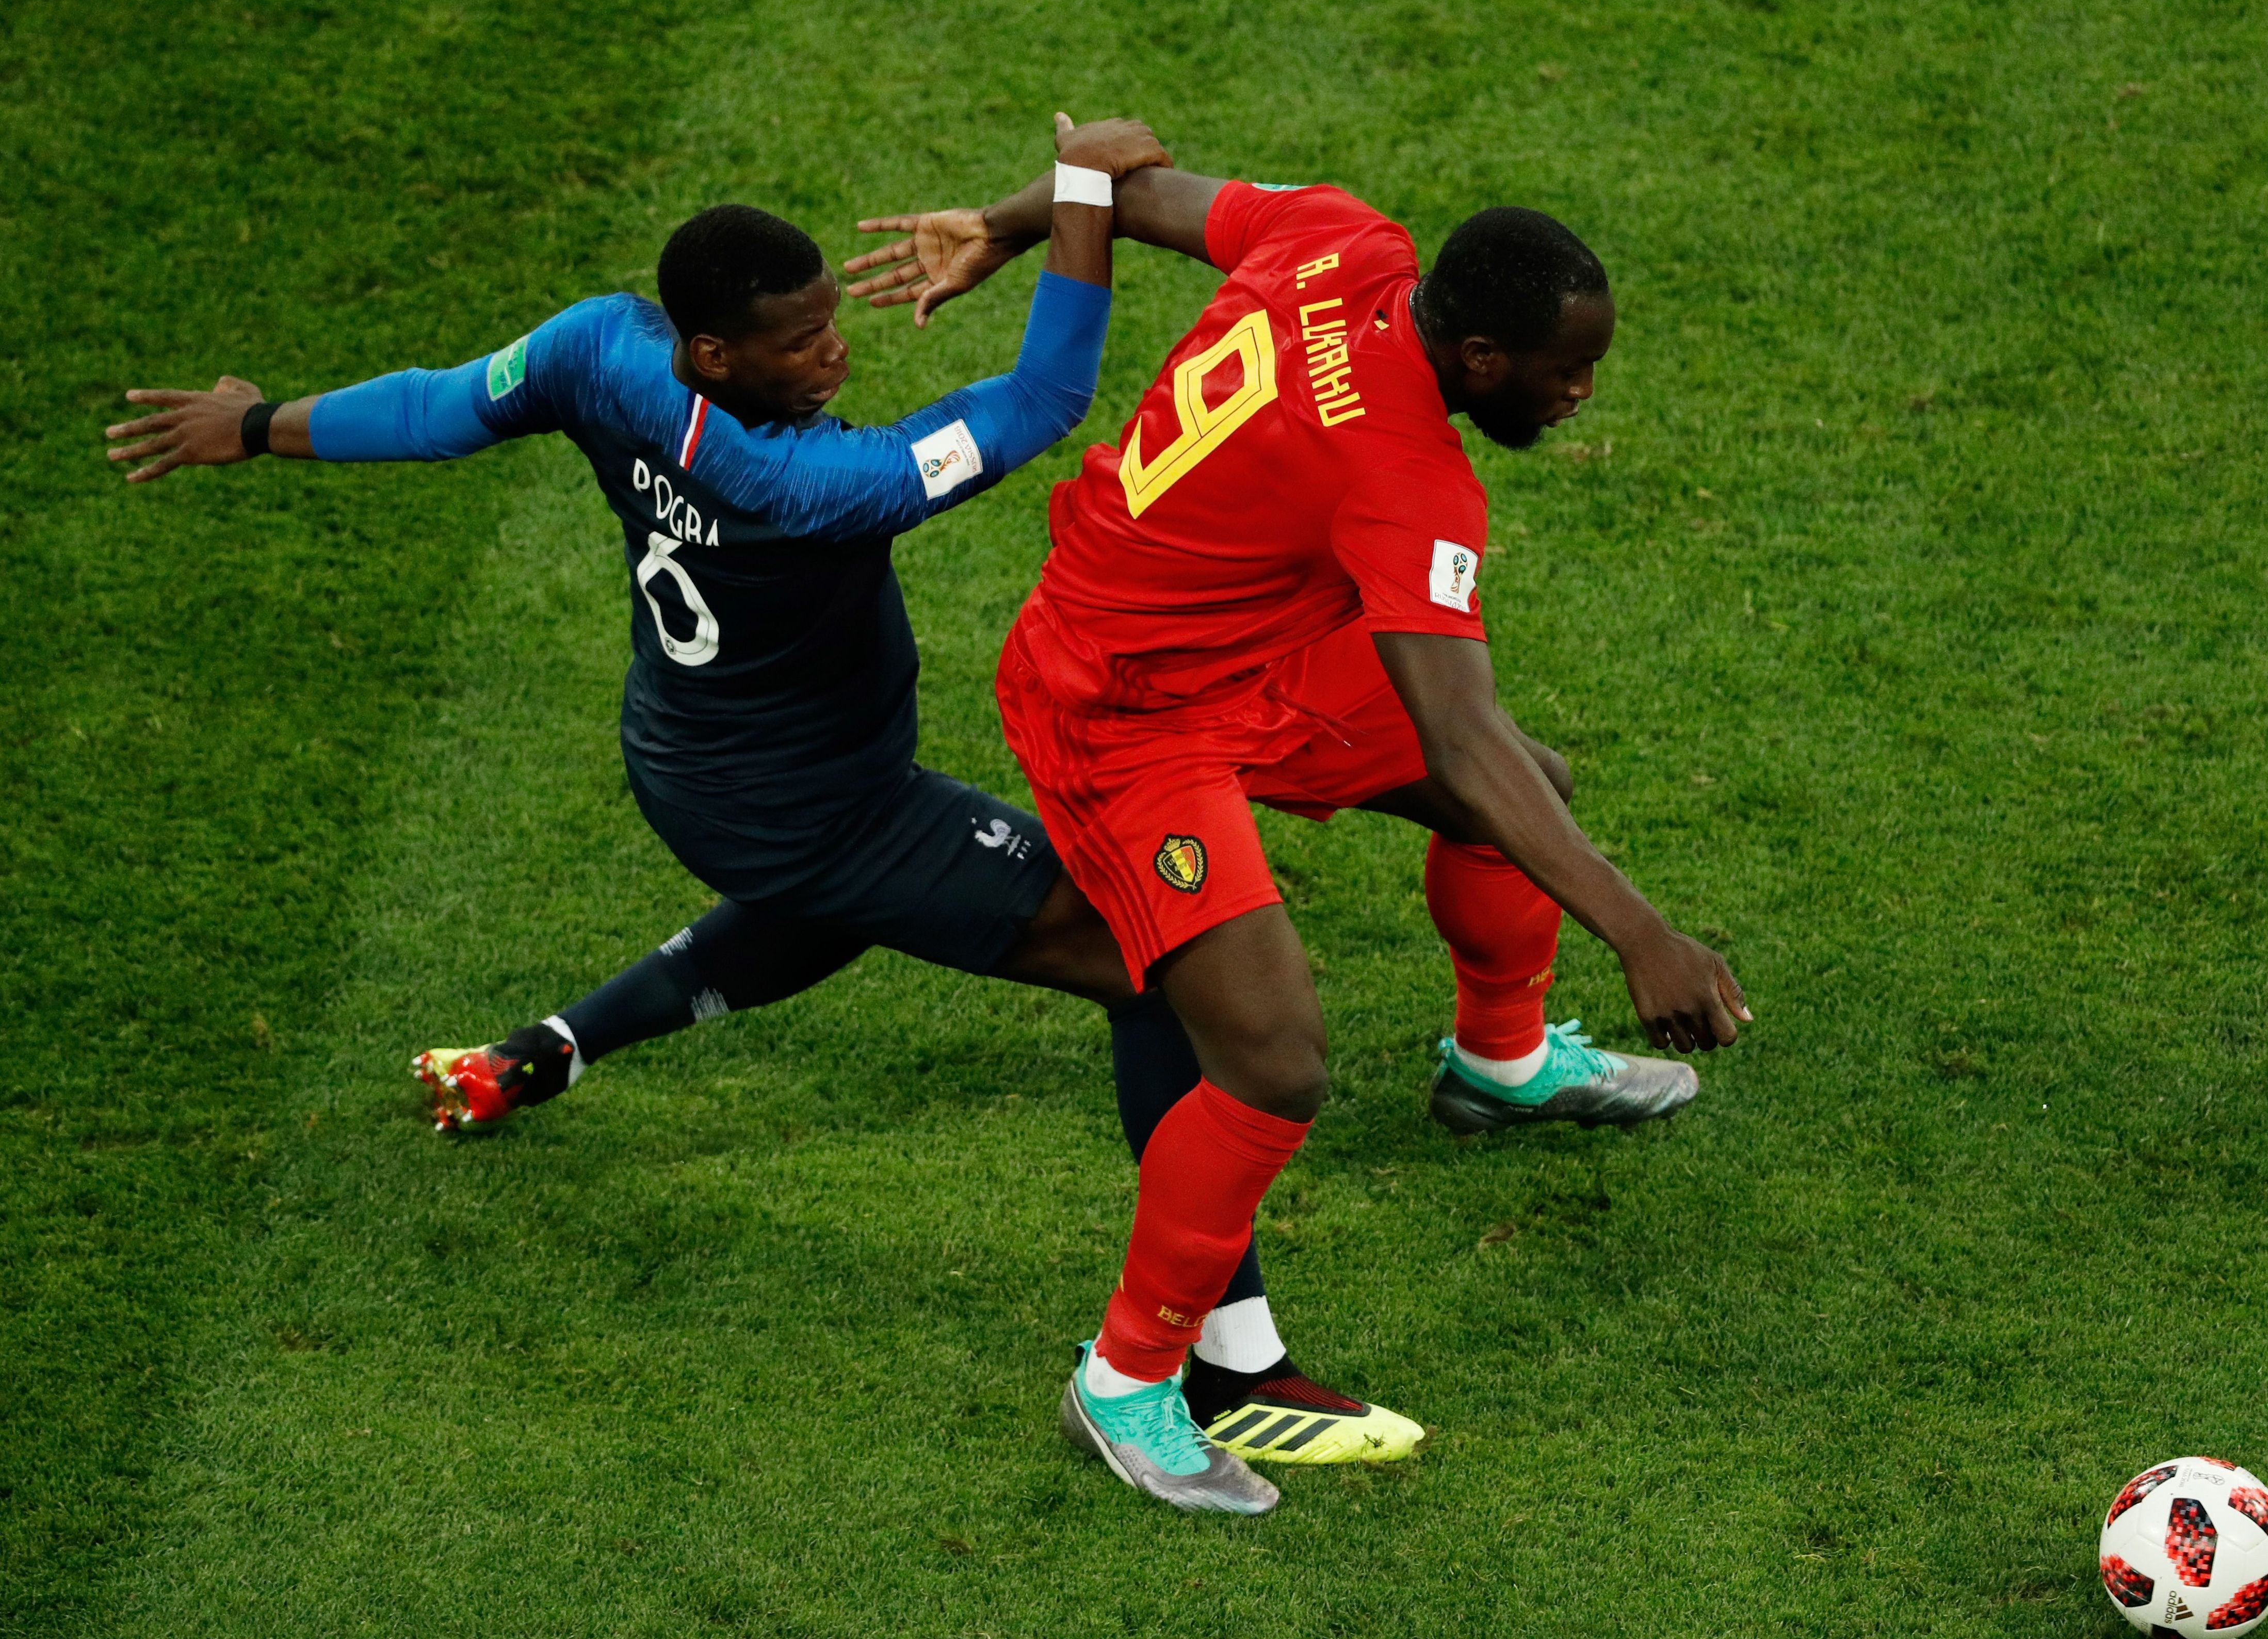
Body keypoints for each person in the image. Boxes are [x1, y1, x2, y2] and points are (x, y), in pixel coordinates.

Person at [102, 116, 1425, 1470]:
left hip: (689, 763)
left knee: (829, 907)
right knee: (1151, 962)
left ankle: (536, 1056)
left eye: (831, 320)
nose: (835, 353)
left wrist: (257, 426)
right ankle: (1226, 1362)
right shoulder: (805, 487)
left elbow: (438, 408)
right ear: (714, 356)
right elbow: (1042, 401)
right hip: (824, 810)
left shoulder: (595, 351)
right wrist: (1081, 188)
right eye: (800, 344)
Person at [846, 163, 1754, 1514]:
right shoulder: (1406, 474)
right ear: (1482, 357)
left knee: (1532, 791)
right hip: (1118, 708)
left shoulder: (1340, 237)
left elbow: (1125, 179)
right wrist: (1644, 936)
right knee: (1273, 1060)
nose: (1581, 394)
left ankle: (1501, 1063)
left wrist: (1004, 223)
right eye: (1567, 372)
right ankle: (1126, 1381)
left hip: (1242, 650)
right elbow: (1460, 737)